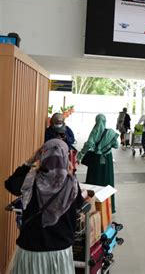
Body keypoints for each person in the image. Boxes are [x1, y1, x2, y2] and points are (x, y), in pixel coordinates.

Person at [6, 139, 83, 274]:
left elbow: (10, 184)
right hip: (60, 252)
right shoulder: (72, 185)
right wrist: (71, 174)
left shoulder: (29, 181)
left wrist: (30, 161)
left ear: (43, 156)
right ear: (66, 158)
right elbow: (79, 205)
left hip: (31, 249)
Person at [77, 114, 119, 213]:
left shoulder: (94, 132)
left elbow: (89, 144)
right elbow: (116, 145)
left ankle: (93, 205)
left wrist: (80, 155)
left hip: (95, 161)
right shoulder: (111, 132)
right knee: (107, 180)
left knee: (93, 181)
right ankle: (109, 207)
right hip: (107, 161)